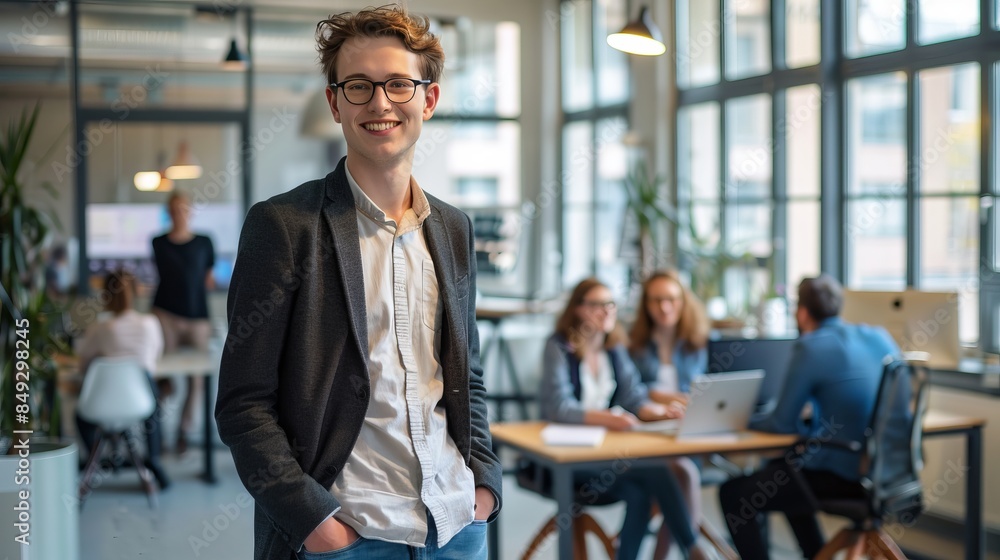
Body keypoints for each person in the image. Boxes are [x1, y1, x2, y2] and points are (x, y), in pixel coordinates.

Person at [214, 6, 501, 560]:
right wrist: (314, 522)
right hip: (348, 536)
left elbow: (468, 376)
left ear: (429, 99)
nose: (380, 103)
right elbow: (243, 404)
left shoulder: (455, 230)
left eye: (398, 84)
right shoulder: (285, 226)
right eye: (359, 86)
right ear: (334, 102)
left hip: (456, 525)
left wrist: (483, 488)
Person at [718, 274, 901, 559]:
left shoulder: (810, 346)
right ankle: (816, 553)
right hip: (891, 474)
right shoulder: (880, 336)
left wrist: (739, 419)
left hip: (846, 480)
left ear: (802, 313)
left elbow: (781, 424)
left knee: (734, 494)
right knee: (783, 469)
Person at [539, 278, 716, 560]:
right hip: (568, 455)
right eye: (596, 305)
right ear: (578, 309)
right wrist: (609, 418)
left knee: (640, 491)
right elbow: (560, 408)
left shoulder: (615, 347)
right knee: (658, 471)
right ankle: (694, 550)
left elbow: (634, 398)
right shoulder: (560, 346)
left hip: (607, 453)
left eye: (610, 304)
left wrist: (660, 412)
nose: (606, 311)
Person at [629, 270, 710, 559]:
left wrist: (691, 402)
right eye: (657, 300)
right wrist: (671, 399)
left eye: (672, 300)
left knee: (678, 488)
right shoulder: (634, 344)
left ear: (683, 302)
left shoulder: (695, 343)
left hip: (688, 432)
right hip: (649, 432)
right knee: (683, 475)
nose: (665, 307)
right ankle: (693, 546)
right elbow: (631, 391)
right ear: (647, 305)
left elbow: (704, 388)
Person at [75, 269, 170, 489]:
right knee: (154, 407)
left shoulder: (100, 328)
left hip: (102, 404)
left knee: (81, 416)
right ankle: (154, 462)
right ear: (136, 292)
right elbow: (155, 357)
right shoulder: (150, 323)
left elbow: (82, 364)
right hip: (141, 402)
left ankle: (96, 460)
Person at [151, 190, 215, 454]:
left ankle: (184, 432)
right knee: (162, 376)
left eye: (184, 208)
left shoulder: (204, 242)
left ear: (190, 211)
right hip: (165, 314)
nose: (180, 213)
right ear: (169, 212)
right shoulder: (158, 242)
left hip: (197, 317)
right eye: (175, 208)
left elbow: (207, 278)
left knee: (197, 378)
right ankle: (157, 435)